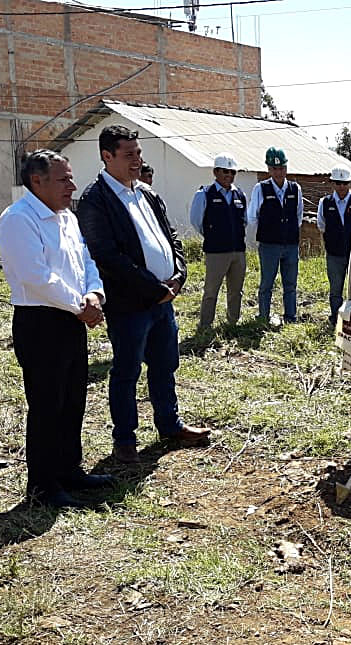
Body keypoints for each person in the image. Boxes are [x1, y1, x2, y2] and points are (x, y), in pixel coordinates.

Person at [76, 125, 210, 464]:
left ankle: (170, 425)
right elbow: (106, 256)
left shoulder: (146, 193)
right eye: (129, 154)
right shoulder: (96, 200)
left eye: (139, 153)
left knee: (165, 365)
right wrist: (153, 289)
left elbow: (172, 238)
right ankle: (124, 440)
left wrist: (178, 275)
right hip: (130, 304)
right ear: (107, 156)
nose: (138, 160)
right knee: (127, 371)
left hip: (163, 301)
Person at [0, 150, 113, 507]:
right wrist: (81, 305)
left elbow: (85, 260)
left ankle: (69, 471)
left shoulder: (66, 217)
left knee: (73, 399)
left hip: (71, 318)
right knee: (47, 405)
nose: (72, 186)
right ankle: (43, 486)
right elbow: (36, 277)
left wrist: (94, 294)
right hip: (40, 321)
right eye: (64, 179)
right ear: (38, 181)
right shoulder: (18, 219)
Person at [189, 153, 247, 330]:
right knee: (211, 291)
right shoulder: (205, 193)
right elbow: (196, 221)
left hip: (238, 250)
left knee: (236, 290)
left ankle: (233, 322)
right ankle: (206, 325)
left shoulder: (240, 194)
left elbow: (244, 220)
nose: (229, 175)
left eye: (232, 172)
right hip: (216, 252)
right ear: (215, 172)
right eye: (225, 171)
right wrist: (213, 235)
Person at [247, 147, 303, 324]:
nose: (279, 172)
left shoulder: (295, 188)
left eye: (282, 168)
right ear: (269, 169)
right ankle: (263, 316)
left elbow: (299, 215)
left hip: (291, 245)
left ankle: (291, 317)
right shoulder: (260, 188)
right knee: (266, 284)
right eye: (274, 168)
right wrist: (268, 232)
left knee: (290, 285)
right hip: (269, 245)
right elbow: (252, 216)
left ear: (286, 168)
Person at [318, 166, 351, 324]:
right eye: (338, 183)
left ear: (350, 183)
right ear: (332, 183)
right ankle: (336, 319)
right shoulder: (325, 202)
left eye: (344, 183)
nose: (341, 187)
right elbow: (321, 225)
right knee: (335, 289)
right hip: (334, 253)